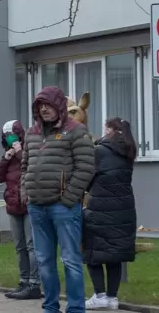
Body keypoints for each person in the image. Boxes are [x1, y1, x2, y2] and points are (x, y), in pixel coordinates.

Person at [22, 86, 95, 313]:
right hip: (37, 207)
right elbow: (24, 165)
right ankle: (50, 307)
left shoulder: (76, 131)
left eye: (48, 105)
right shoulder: (31, 133)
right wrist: (26, 192)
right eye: (40, 106)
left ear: (59, 106)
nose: (44, 109)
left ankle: (75, 309)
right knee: (44, 262)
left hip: (63, 208)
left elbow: (86, 167)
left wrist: (69, 198)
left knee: (71, 261)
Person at [83, 118, 137, 311]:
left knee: (93, 252)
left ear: (112, 130)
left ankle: (99, 295)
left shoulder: (99, 151)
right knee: (115, 254)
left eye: (106, 127)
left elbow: (87, 180)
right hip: (124, 208)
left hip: (101, 208)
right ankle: (112, 298)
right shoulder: (129, 152)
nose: (103, 130)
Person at [0, 120, 40, 300]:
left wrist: (20, 152)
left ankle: (34, 284)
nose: (9, 139)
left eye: (12, 135)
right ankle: (23, 281)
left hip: (28, 204)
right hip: (13, 205)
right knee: (20, 247)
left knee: (31, 245)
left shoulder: (29, 150)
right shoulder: (8, 155)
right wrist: (7, 157)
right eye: (6, 136)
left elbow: (33, 168)